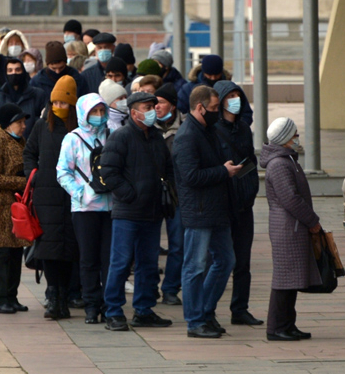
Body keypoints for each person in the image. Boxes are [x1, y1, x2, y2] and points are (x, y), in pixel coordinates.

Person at [100, 91, 175, 330]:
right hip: (128, 213)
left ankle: (143, 309)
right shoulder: (120, 137)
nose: (152, 110)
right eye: (147, 106)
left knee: (148, 264)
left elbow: (168, 168)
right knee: (121, 262)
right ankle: (113, 311)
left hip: (153, 213)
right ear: (134, 112)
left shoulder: (156, 138)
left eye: (154, 106)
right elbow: (109, 172)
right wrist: (130, 195)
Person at [174, 85, 242, 338]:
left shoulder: (208, 130)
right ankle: (195, 320)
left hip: (216, 209)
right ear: (200, 107)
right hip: (199, 211)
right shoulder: (187, 136)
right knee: (194, 266)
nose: (218, 112)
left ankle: (206, 310)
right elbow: (190, 176)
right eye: (214, 108)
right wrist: (223, 171)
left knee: (226, 261)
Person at [24, 74, 80, 319]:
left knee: (67, 249)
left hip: (69, 194)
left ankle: (63, 297)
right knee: (47, 249)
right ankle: (52, 295)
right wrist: (32, 176)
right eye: (55, 103)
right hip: (45, 195)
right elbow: (29, 152)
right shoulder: (41, 125)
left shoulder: (77, 128)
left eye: (63, 104)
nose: (58, 107)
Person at [261, 117, 320, 342]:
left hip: (292, 227)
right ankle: (276, 328)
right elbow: (291, 199)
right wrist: (312, 220)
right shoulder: (279, 164)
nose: (297, 138)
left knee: (292, 278)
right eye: (294, 134)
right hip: (288, 227)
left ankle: (288, 324)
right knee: (284, 280)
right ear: (285, 138)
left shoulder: (287, 160)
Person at [58, 91, 113, 324]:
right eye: (94, 112)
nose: (99, 116)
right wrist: (78, 192)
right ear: (84, 113)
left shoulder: (111, 136)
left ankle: (110, 304)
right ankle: (91, 304)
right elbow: (63, 171)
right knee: (89, 259)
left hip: (111, 207)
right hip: (84, 209)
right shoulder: (73, 138)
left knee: (109, 259)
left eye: (102, 111)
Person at [213, 80, 262, 327]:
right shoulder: (212, 130)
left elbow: (250, 161)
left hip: (244, 204)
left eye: (238, 95)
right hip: (222, 205)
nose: (235, 99)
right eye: (230, 95)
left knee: (243, 261)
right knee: (220, 261)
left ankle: (240, 308)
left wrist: (250, 188)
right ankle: (208, 309)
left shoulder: (244, 128)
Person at [0, 104, 31, 314]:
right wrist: (24, 182)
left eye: (23, 122)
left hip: (17, 206)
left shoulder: (21, 142)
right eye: (19, 122)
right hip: (0, 208)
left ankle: (12, 297)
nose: (23, 126)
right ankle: (0, 299)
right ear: (7, 124)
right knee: (3, 253)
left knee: (16, 252)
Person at [156, 83, 185, 306]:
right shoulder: (145, 126)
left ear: (173, 106)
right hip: (151, 193)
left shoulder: (185, 127)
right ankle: (149, 287)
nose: (156, 107)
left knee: (177, 244)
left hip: (177, 195)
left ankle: (170, 288)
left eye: (161, 102)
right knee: (148, 245)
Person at [178, 54, 252, 126]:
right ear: (203, 72)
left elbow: (246, 113)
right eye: (209, 75)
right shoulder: (188, 89)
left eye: (216, 75)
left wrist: (237, 128)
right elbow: (180, 113)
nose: (213, 78)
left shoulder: (230, 88)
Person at [0, 58, 48, 136]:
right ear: (5, 73)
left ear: (23, 72)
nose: (14, 73)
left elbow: (44, 121)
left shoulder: (38, 95)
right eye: (10, 70)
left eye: (17, 70)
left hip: (32, 143)